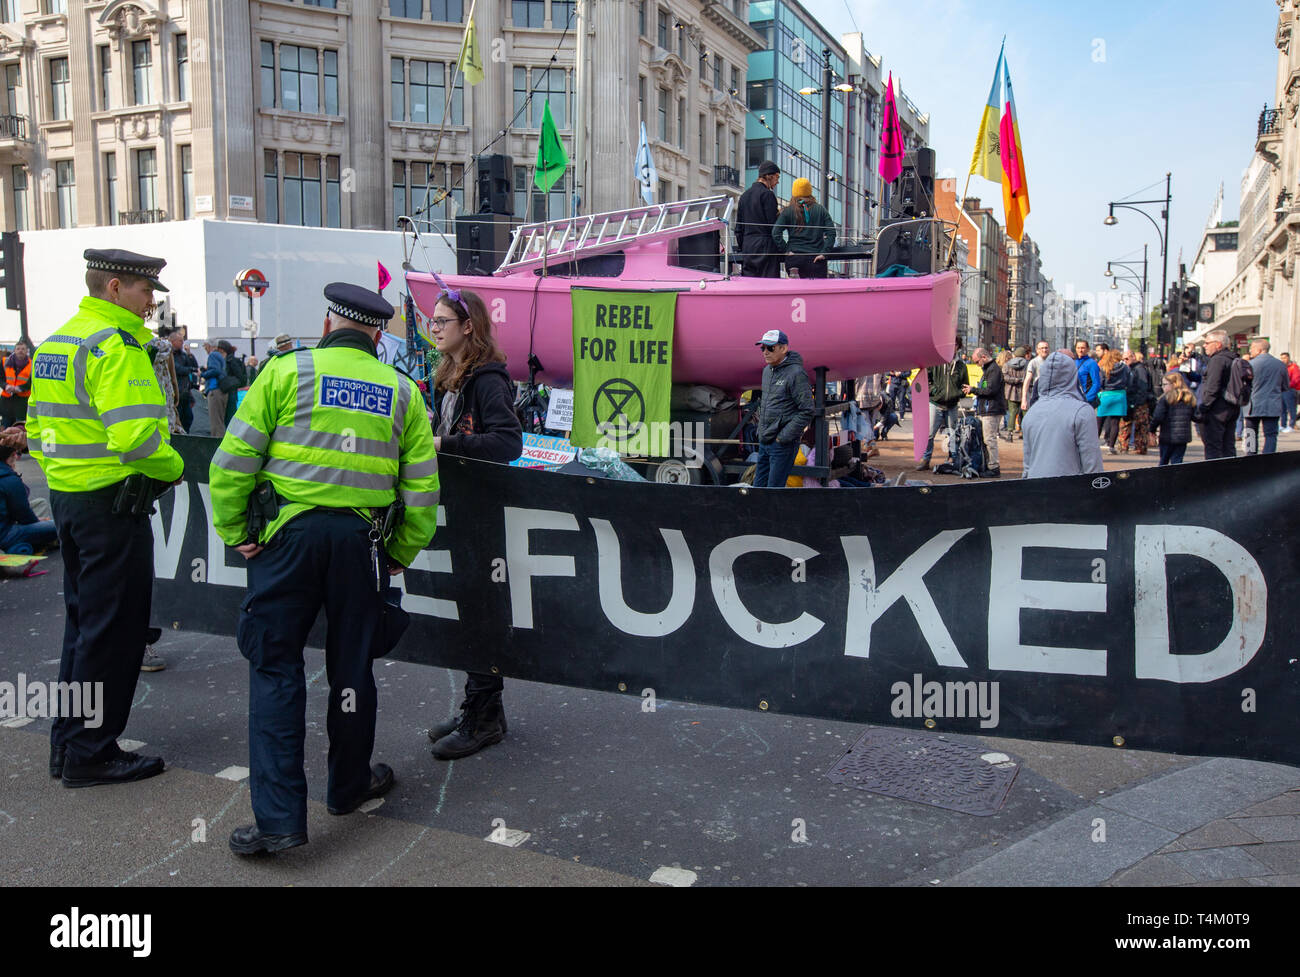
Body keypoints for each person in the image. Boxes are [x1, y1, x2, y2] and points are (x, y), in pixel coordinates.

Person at [210, 283, 440, 855]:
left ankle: (279, 821)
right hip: (360, 546)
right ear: (378, 334)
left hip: (285, 541)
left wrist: (237, 532)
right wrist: (397, 554)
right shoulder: (403, 392)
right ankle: (349, 786)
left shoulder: (287, 372)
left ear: (328, 321)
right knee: (352, 669)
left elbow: (232, 462)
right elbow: (422, 495)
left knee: (275, 669)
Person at [26, 249, 184, 786]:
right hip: (112, 507)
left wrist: (65, 479)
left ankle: (68, 743)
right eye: (145, 292)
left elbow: (36, 428)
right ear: (115, 288)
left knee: (82, 629)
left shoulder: (59, 340)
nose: (151, 303)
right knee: (114, 632)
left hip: (72, 502)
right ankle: (92, 752)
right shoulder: (116, 346)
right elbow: (137, 440)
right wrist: (176, 465)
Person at [423, 282, 523, 761]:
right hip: (461, 508)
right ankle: (481, 708)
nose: (433, 328)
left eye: (442, 321)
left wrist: (444, 446)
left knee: (481, 611)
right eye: (432, 321)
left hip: (484, 514)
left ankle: (483, 719)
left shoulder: (487, 379)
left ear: (469, 327)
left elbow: (508, 444)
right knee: (469, 611)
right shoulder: (450, 375)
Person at [1021, 351, 1105, 479]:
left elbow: (1027, 463)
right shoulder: (1082, 411)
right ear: (1072, 376)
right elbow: (1092, 461)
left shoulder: (1031, 413)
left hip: (1035, 488)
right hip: (1070, 490)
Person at [751, 329, 814, 487]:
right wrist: (762, 432)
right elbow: (766, 404)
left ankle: (774, 512)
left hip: (782, 444)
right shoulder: (767, 371)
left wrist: (783, 438)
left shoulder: (796, 373)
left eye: (770, 348)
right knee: (759, 487)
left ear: (783, 348)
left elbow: (807, 410)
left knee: (774, 490)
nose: (765, 352)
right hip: (766, 441)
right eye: (762, 348)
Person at [916, 341, 968, 471]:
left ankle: (954, 458)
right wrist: (934, 391)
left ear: (958, 347)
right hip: (936, 403)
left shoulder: (961, 366)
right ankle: (926, 459)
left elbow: (965, 385)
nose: (953, 347)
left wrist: (957, 394)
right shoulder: (935, 362)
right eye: (951, 343)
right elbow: (925, 379)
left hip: (952, 405)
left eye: (955, 344)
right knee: (929, 434)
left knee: (953, 434)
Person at [772, 178, 836, 280]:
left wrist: (786, 250)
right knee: (816, 293)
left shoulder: (788, 211)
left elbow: (776, 233)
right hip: (816, 260)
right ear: (809, 191)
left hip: (794, 259)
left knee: (797, 293)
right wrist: (824, 253)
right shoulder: (820, 210)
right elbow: (831, 233)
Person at [0, 440, 57, 554]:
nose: (17, 457)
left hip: (6, 523)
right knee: (59, 526)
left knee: (40, 503)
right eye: (15, 454)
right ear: (9, 457)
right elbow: (23, 515)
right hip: (6, 533)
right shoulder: (9, 479)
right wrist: (37, 521)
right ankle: (38, 543)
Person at [1196, 329, 1240, 461]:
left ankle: (1214, 477)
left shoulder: (1217, 360)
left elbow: (1212, 387)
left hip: (1217, 410)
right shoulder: (1234, 358)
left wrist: (1203, 408)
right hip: (1231, 407)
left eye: (1207, 343)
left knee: (1213, 448)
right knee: (1228, 446)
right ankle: (1230, 476)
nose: (1205, 346)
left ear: (1218, 344)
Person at [1242, 338, 1288, 455]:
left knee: (1251, 433)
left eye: (1252, 348)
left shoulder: (1249, 365)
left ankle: (1250, 458)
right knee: (1271, 435)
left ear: (1259, 349)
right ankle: (1268, 459)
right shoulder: (1280, 365)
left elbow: (1243, 384)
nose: (1250, 351)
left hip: (1252, 405)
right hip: (1272, 404)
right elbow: (1285, 386)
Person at [738, 161, 782, 278]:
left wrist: (744, 247)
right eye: (777, 177)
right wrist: (780, 215)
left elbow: (739, 228)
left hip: (748, 247)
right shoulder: (768, 195)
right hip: (765, 247)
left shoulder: (744, 196)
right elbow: (773, 225)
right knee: (769, 287)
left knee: (749, 285)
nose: (777, 181)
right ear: (769, 176)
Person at [964, 347, 1004, 476]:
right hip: (987, 409)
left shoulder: (993, 370)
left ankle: (994, 467)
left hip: (991, 409)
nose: (976, 364)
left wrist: (973, 390)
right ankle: (988, 465)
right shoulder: (989, 369)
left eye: (977, 361)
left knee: (989, 439)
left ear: (984, 357)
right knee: (986, 439)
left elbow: (990, 390)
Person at [1149, 372, 1196, 466]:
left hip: (1167, 436)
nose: (1163, 387)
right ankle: (1176, 479)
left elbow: (1158, 417)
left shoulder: (1165, 398)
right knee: (1177, 461)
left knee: (1164, 461)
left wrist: (1152, 429)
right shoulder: (1188, 398)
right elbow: (1195, 416)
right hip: (1183, 437)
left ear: (1174, 384)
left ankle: (1163, 479)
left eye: (1165, 384)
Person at [1117, 349, 1154, 456]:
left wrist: (1138, 402)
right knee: (1125, 424)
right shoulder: (1129, 369)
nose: (1125, 361)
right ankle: (1123, 447)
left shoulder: (1139, 369)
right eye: (1123, 359)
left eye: (1127, 358)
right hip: (1129, 401)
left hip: (1139, 403)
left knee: (1140, 426)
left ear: (1133, 357)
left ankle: (1140, 448)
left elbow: (1143, 387)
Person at [169, 329, 198, 432]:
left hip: (185, 392)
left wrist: (190, 354)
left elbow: (194, 366)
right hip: (176, 392)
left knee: (188, 418)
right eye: (180, 341)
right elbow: (178, 369)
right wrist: (190, 370)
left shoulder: (183, 355)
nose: (182, 343)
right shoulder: (170, 354)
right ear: (173, 341)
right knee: (178, 417)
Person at [2, 340, 31, 430]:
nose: (20, 351)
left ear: (27, 351)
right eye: (18, 349)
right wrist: (5, 386)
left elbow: (32, 382)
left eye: (23, 349)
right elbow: (1, 378)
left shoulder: (32, 364)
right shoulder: (4, 362)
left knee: (19, 430)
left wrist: (19, 388)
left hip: (22, 403)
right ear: (14, 350)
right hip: (6, 403)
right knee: (5, 430)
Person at [201, 340, 228, 438]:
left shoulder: (213, 355)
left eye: (205, 346)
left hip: (215, 390)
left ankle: (216, 446)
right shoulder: (220, 356)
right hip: (221, 390)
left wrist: (203, 374)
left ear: (209, 345)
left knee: (216, 423)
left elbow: (215, 370)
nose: (205, 349)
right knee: (220, 420)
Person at [219, 340, 247, 429]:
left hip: (230, 392)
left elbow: (239, 377)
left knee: (229, 417)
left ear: (222, 350)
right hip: (231, 391)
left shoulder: (230, 361)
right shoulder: (230, 360)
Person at [1002, 346, 1028, 440]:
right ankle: (1024, 432)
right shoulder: (1027, 364)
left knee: (1012, 413)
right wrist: (1021, 380)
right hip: (1024, 392)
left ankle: (1010, 433)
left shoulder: (1007, 364)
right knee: (1025, 413)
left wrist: (1014, 380)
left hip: (1011, 392)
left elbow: (1005, 377)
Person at [1074, 338, 1102, 409]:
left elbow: (1096, 383)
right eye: (1078, 348)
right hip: (1074, 399)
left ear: (1088, 349)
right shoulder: (1073, 361)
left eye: (1083, 348)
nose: (1080, 350)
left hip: (1086, 400)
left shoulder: (1092, 363)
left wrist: (1087, 399)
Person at [1022, 340, 1050, 410]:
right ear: (1037, 350)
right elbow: (1027, 380)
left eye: (1046, 348)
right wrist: (1024, 398)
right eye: (1042, 348)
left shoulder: (1052, 361)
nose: (1044, 350)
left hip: (1050, 394)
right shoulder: (1033, 362)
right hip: (1038, 394)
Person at [1281, 351, 1299, 432]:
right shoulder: (1282, 367)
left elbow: (1296, 379)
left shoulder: (1293, 367)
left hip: (1290, 390)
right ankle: (1283, 425)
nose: (1283, 360)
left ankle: (1291, 425)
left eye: (1284, 358)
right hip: (1282, 390)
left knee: (1291, 408)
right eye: (1282, 358)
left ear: (1288, 358)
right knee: (1282, 408)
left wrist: (1288, 385)